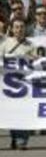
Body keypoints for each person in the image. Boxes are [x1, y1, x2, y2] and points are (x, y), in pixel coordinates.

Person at [0, 18, 37, 150]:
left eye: (21, 27)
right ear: (12, 29)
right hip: (9, 86)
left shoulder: (31, 45)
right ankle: (15, 137)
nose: (19, 29)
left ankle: (22, 140)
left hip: (25, 86)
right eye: (16, 27)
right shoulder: (5, 44)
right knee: (12, 114)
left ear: (25, 29)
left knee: (24, 113)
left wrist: (34, 59)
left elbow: (37, 64)